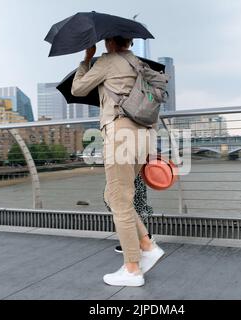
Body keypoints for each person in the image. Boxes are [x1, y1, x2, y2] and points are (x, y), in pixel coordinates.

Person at [72, 36, 165, 287]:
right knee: (117, 196)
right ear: (130, 41)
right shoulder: (139, 64)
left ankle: (132, 268)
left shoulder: (108, 61)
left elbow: (78, 89)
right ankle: (147, 245)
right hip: (144, 137)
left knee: (120, 200)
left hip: (121, 135)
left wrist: (86, 59)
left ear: (109, 42)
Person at [103, 173, 154, 253]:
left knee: (127, 204)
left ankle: (135, 242)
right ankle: (142, 238)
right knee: (128, 204)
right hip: (129, 172)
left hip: (128, 172)